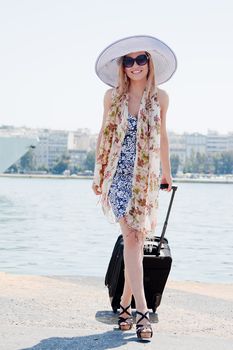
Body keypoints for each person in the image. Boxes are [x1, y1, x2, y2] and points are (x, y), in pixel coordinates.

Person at [92, 35, 177, 339]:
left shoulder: (160, 98)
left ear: (149, 63)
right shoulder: (112, 97)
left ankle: (124, 306)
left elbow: (164, 137)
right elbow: (103, 135)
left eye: (141, 59)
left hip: (145, 178)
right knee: (131, 236)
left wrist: (166, 174)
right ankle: (142, 312)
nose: (135, 66)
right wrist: (98, 176)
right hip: (117, 174)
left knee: (136, 242)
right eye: (129, 61)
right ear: (122, 66)